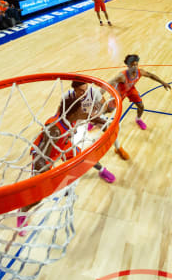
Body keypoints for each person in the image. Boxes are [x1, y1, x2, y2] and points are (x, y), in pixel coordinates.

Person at [18, 81, 117, 235]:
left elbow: (92, 118)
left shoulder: (72, 117)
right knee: (38, 196)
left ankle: (101, 170)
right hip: (44, 157)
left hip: (63, 145)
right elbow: (41, 159)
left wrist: (109, 121)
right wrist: (55, 179)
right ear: (74, 111)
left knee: (84, 157)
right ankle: (22, 212)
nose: (87, 111)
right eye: (84, 109)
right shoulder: (54, 129)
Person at [108, 54, 171, 130]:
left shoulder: (140, 72)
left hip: (131, 90)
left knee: (141, 106)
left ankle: (138, 119)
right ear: (128, 66)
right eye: (132, 65)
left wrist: (163, 82)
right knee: (109, 110)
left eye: (136, 64)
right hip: (120, 91)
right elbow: (109, 83)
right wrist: (100, 93)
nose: (134, 67)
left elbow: (151, 75)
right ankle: (94, 120)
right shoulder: (122, 76)